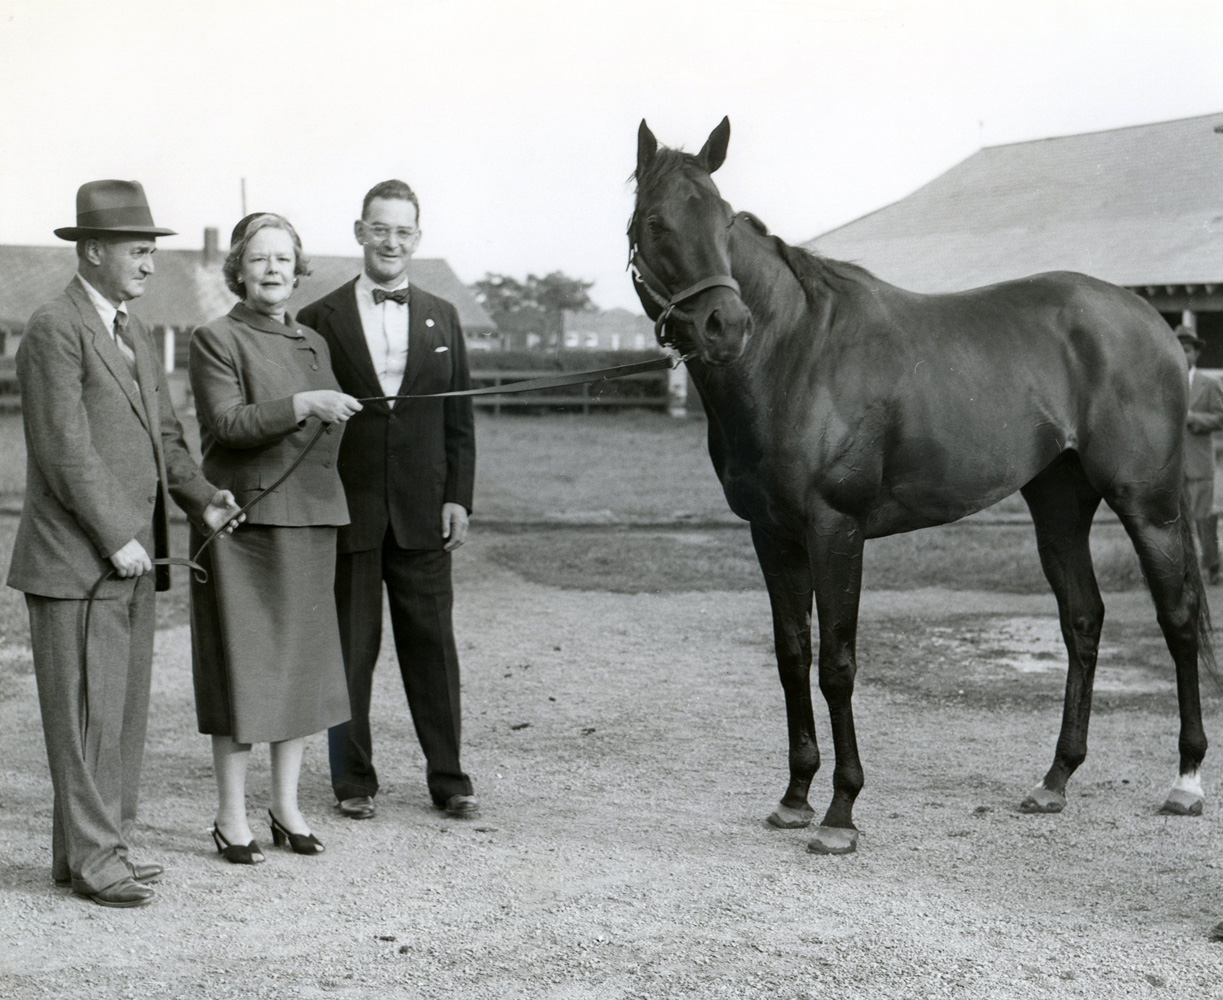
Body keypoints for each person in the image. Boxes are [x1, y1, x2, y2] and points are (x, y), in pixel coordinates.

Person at [6, 180, 242, 907]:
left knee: (115, 715)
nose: (149, 264)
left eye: (151, 251)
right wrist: (116, 534)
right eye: (139, 251)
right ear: (96, 251)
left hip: (125, 562)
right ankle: (96, 858)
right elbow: (64, 450)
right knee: (83, 720)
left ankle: (92, 852)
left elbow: (165, 437)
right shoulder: (55, 327)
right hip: (77, 563)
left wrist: (203, 499)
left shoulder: (134, 333)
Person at [297, 179, 477, 821]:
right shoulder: (318, 319)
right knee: (350, 650)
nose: (391, 241)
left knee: (433, 647)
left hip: (426, 513)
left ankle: (450, 778)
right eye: (380, 228)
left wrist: (459, 497)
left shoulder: (443, 315)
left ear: (417, 238)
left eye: (403, 230)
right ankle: (353, 780)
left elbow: (459, 422)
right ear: (359, 232)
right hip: (348, 510)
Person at [188, 212, 362, 863]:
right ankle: (230, 816)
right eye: (259, 259)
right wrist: (305, 406)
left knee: (301, 675)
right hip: (244, 527)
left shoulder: (314, 344)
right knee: (244, 674)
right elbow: (227, 425)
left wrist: (327, 409)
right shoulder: (215, 338)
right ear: (238, 268)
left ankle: (286, 808)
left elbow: (327, 436)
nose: (271, 269)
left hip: (312, 520)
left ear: (297, 268)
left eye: (283, 259)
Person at [1178, 324, 1223, 585]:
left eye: (1186, 350)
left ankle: (1213, 567)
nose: (1182, 355)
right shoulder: (1163, 384)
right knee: (1178, 520)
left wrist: (1194, 418)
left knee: (1204, 517)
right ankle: (1184, 571)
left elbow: (1221, 417)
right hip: (1171, 464)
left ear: (1195, 354)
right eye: (1177, 349)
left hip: (1199, 461)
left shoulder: (1209, 384)